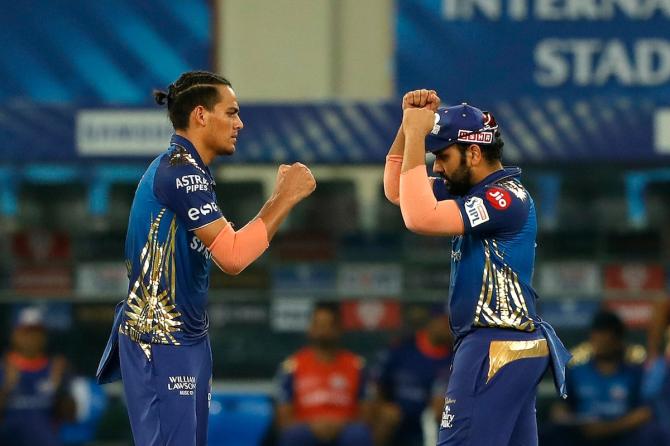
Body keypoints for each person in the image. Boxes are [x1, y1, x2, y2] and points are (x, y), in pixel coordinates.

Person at [96, 71, 316, 446]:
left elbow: (228, 247)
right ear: (201, 115)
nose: (239, 123)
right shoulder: (179, 171)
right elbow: (232, 256)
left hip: (189, 337)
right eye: (231, 113)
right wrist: (285, 198)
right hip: (159, 338)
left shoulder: (193, 171)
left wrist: (279, 199)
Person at [382, 89, 571, 445]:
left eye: (442, 156)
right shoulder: (468, 190)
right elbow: (398, 191)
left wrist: (418, 133)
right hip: (509, 345)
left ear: (473, 151)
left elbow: (419, 217)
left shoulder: (504, 197)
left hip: (494, 343)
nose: (436, 166)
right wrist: (408, 129)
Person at [541, 310, 665, 446]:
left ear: (618, 340)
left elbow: (645, 412)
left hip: (622, 435)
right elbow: (560, 408)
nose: (599, 343)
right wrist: (566, 418)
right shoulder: (577, 372)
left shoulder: (635, 373)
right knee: (548, 432)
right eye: (596, 337)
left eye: (605, 338)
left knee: (652, 433)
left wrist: (609, 428)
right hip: (584, 436)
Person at [275, 303, 373, 446]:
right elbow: (284, 416)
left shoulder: (356, 365)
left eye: (328, 325)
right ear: (310, 328)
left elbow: (367, 413)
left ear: (339, 329)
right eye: (319, 325)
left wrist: (338, 425)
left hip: (345, 428)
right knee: (293, 435)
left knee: (358, 434)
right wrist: (314, 425)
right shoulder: (292, 366)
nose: (323, 330)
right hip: (305, 428)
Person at [371, 311, 453, 446]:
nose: (447, 327)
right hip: (398, 414)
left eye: (450, 323)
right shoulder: (404, 347)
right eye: (443, 321)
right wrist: (382, 406)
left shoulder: (455, 356)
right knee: (385, 418)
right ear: (432, 322)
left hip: (429, 417)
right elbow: (377, 382)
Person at [0, 307, 75, 446]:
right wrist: (6, 388)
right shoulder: (4, 368)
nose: (32, 338)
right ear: (14, 334)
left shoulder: (55, 368)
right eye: (26, 332)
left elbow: (70, 417)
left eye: (37, 332)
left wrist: (58, 389)